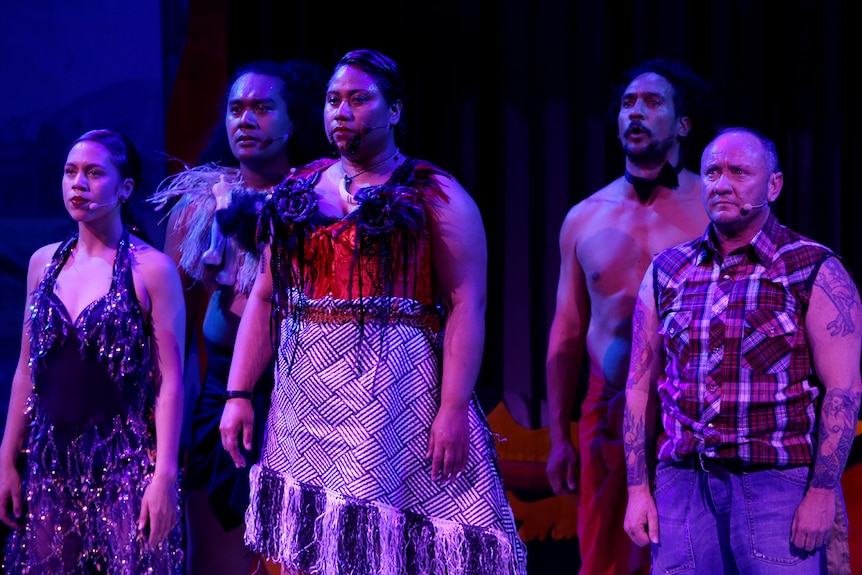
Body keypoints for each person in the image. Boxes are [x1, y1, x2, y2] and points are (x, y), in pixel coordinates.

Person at [218, 48, 528, 575]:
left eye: (359, 99)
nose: (342, 110)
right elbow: (267, 295)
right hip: (306, 400)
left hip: (396, 396)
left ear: (395, 111)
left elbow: (466, 304)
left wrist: (452, 409)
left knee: (390, 546)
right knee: (311, 547)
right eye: (333, 100)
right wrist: (239, 394)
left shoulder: (435, 193)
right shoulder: (297, 189)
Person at [622, 127, 862, 574]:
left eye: (739, 171)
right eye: (712, 171)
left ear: (773, 184)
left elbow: (843, 389)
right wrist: (638, 492)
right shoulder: (667, 271)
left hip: (778, 485)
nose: (722, 183)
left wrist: (822, 492)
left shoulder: (813, 268)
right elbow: (638, 388)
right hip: (684, 483)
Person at [148, 59, 331, 575]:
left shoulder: (320, 201)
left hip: (301, 391)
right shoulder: (201, 202)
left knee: (294, 544)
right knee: (216, 536)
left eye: (261, 108)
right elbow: (173, 323)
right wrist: (166, 421)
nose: (245, 119)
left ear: (294, 120)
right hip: (217, 386)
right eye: (235, 109)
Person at [544, 59, 711, 575]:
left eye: (653, 102)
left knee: (690, 551)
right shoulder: (584, 217)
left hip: (693, 410)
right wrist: (557, 437)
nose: (636, 112)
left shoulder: (714, 208)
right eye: (627, 104)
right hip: (607, 412)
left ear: (682, 124)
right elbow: (567, 332)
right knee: (605, 559)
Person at [0, 129, 186, 573]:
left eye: (93, 173)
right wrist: (8, 455)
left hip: (124, 462)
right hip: (50, 460)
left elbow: (170, 381)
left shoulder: (152, 269)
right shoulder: (43, 263)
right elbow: (28, 369)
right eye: (70, 172)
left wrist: (164, 476)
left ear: (125, 188)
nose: (78, 183)